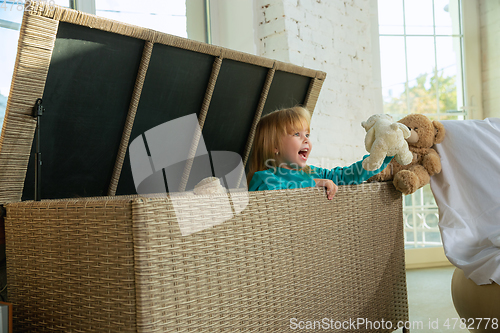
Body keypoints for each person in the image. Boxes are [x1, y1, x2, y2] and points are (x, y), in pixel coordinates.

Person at [247, 106, 393, 200]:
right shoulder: (264, 179)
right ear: (275, 146)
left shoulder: (312, 172)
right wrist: (313, 184)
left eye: (307, 135)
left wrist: (380, 155)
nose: (306, 140)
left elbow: (345, 176)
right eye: (297, 134)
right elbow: (277, 193)